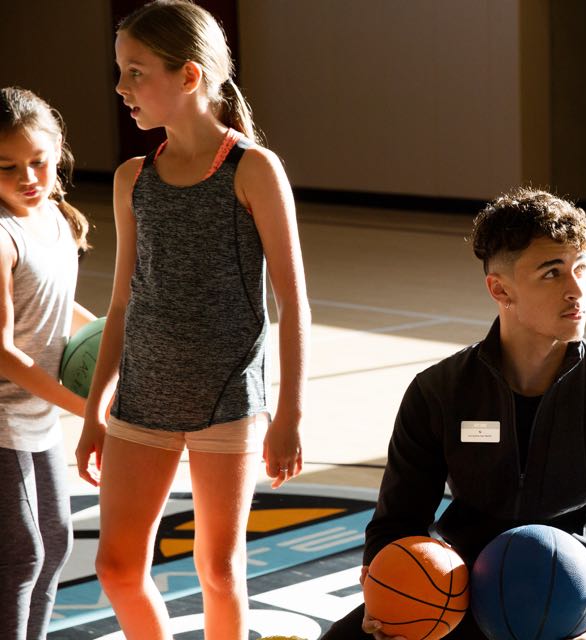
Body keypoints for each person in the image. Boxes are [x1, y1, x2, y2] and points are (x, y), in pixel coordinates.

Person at [323, 188, 586, 640]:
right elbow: (398, 522)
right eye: (552, 273)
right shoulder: (439, 393)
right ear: (500, 288)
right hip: (465, 591)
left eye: (582, 268)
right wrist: (386, 588)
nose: (576, 290)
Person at [74, 1, 311, 637]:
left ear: (188, 77)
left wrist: (287, 413)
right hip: (142, 400)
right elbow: (122, 303)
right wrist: (97, 409)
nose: (121, 88)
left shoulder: (253, 170)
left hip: (227, 401)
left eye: (135, 72)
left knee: (219, 571)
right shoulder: (132, 179)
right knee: (118, 566)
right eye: (120, 72)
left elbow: (292, 303)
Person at [0, 86, 95, 640]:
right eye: (7, 167)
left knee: (54, 544)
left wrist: (113, 336)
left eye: (38, 162)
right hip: (5, 417)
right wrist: (86, 408)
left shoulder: (57, 219)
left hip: (39, 412)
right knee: (20, 557)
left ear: (58, 152)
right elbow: (5, 351)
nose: (28, 177)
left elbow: (59, 308)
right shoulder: (4, 234)